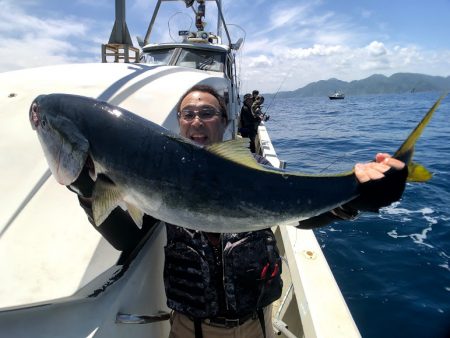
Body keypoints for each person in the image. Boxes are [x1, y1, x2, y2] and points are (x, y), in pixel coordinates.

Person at [68, 84, 407, 338]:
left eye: (207, 113)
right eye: (188, 114)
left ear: (224, 121)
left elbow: (300, 216)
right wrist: (88, 192)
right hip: (189, 329)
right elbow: (130, 240)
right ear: (180, 124)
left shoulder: (256, 171)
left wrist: (356, 198)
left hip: (254, 326)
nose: (197, 120)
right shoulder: (162, 176)